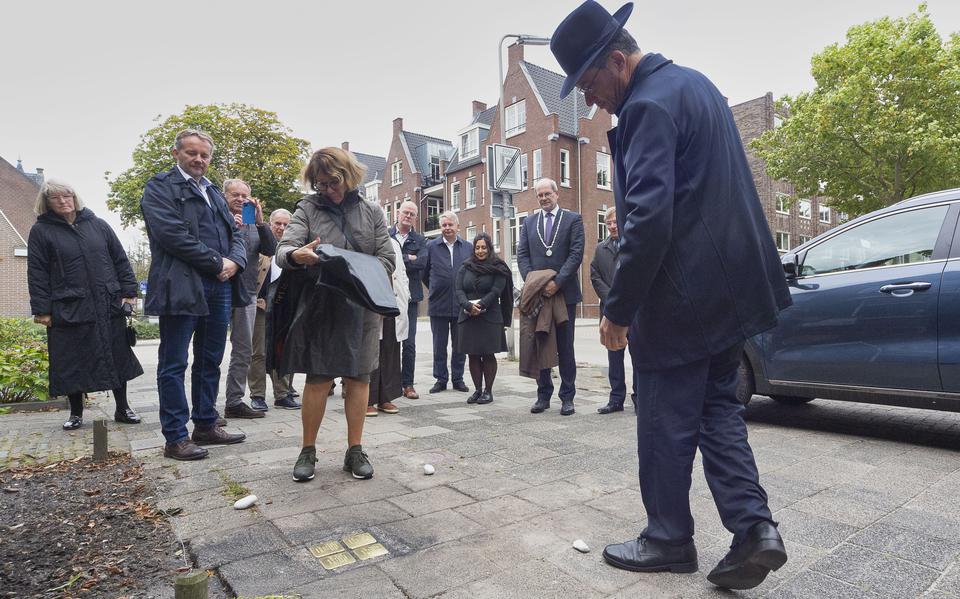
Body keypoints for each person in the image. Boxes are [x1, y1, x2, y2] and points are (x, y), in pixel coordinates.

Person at [551, 1, 793, 590]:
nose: (591, 100)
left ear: (616, 60)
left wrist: (618, 307)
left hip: (681, 297)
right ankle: (755, 529)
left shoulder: (646, 107)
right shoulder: (698, 85)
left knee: (661, 417)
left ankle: (666, 538)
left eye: (590, 83)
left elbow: (649, 216)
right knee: (718, 411)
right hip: (731, 291)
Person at [275, 147, 394, 482]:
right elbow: (284, 250)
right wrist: (298, 255)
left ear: (347, 176)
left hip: (362, 308)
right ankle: (307, 450)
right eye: (320, 184)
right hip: (322, 307)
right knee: (318, 379)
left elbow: (387, 257)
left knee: (359, 379)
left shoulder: (371, 211)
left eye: (331, 182)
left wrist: (357, 270)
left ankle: (355, 450)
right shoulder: (307, 209)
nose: (326, 189)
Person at [141, 129, 247, 461]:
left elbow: (236, 232)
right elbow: (171, 235)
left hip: (220, 287)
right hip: (182, 284)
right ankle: (175, 437)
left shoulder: (214, 192)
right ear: (176, 154)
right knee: (174, 362)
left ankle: (205, 424)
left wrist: (235, 262)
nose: (198, 159)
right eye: (191, 153)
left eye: (204, 155)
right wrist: (217, 262)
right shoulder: (159, 187)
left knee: (210, 359)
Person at [27, 181, 143, 430]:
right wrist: (42, 309)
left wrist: (129, 293)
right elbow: (36, 271)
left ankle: (123, 408)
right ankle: (76, 413)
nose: (62, 201)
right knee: (71, 359)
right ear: (46, 202)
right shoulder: (41, 231)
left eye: (66, 195)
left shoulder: (98, 225)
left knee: (116, 355)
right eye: (55, 197)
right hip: (69, 307)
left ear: (75, 197)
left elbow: (120, 258)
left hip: (107, 303)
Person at [517, 178, 585, 416]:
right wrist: (535, 283)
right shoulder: (528, 222)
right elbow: (522, 255)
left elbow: (576, 254)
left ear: (556, 194)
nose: (543, 198)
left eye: (547, 194)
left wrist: (557, 282)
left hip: (564, 294)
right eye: (539, 195)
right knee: (541, 342)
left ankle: (568, 397)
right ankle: (543, 395)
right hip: (539, 296)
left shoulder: (573, 219)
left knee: (566, 346)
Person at [223, 179, 276, 418]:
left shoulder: (255, 223)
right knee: (209, 351)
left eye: (245, 196)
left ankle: (234, 401)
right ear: (224, 196)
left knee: (244, 350)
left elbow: (270, 250)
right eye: (235, 195)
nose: (241, 200)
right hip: (219, 291)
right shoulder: (216, 218)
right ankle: (205, 408)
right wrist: (228, 227)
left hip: (247, 294)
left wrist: (261, 221)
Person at [249, 208, 300, 410]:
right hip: (261, 306)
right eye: (277, 223)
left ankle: (283, 394)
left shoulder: (296, 249)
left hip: (286, 308)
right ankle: (257, 395)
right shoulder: (260, 245)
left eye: (286, 225)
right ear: (270, 224)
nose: (281, 228)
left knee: (285, 351)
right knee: (258, 352)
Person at [454, 233, 511, 405]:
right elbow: (458, 290)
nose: (480, 251)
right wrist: (468, 306)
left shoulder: (498, 267)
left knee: (487, 354)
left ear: (489, 248)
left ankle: (488, 391)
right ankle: (477, 390)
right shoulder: (465, 267)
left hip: (490, 317)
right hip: (468, 316)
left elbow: (496, 291)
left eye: (483, 247)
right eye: (477, 247)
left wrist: (480, 305)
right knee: (472, 354)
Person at [589, 206, 637, 414]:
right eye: (608, 223)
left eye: (615, 222)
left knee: (638, 356)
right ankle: (616, 399)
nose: (612, 226)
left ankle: (639, 399)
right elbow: (594, 275)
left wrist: (624, 300)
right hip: (610, 311)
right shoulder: (601, 249)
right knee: (614, 357)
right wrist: (613, 300)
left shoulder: (633, 244)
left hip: (634, 313)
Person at [422, 211, 473, 394]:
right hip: (438, 304)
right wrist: (437, 287)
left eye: (450, 225)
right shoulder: (431, 246)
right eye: (444, 225)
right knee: (439, 345)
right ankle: (440, 379)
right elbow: (424, 273)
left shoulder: (468, 247)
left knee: (460, 345)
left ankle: (458, 379)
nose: (447, 228)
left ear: (457, 227)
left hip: (461, 305)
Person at [367, 236, 410, 417]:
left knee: (390, 351)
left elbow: (401, 272)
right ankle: (368, 400)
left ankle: (386, 397)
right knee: (370, 352)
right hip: (373, 303)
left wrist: (405, 294)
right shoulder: (365, 241)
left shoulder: (394, 243)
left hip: (394, 304)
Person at [389, 200, 426, 400]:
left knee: (409, 343)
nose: (408, 216)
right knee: (388, 343)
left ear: (415, 218)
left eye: (412, 214)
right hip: (388, 296)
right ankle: (390, 384)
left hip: (411, 297)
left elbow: (421, 262)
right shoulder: (386, 235)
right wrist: (408, 257)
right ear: (398, 213)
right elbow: (384, 259)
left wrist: (401, 258)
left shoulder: (420, 240)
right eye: (405, 212)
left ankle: (408, 384)